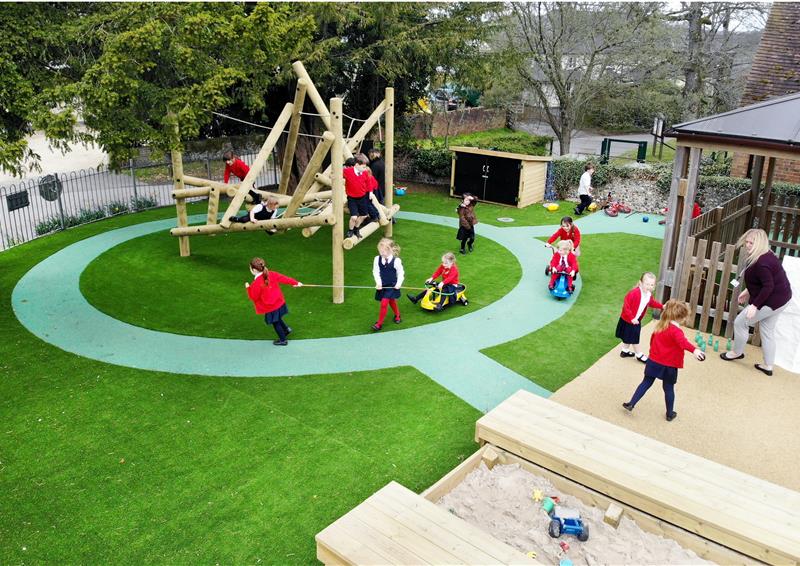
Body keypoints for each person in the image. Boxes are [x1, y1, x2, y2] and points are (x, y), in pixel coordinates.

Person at [720, 228, 792, 376]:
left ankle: (736, 352)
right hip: (782, 299)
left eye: (751, 242)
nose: (747, 245)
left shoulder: (762, 262)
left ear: (759, 243)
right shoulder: (766, 255)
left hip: (771, 300)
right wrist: (747, 292)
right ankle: (768, 365)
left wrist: (755, 305)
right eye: (746, 241)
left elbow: (768, 286)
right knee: (767, 330)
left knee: (740, 322)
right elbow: (764, 281)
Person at [622, 299, 705, 422]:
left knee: (646, 382)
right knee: (668, 388)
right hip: (669, 366)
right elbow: (683, 343)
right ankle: (670, 413)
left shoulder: (660, 326)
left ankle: (631, 403)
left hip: (654, 361)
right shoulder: (676, 331)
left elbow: (652, 341)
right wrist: (695, 350)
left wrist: (653, 355)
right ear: (680, 318)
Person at [245, 257, 302, 346]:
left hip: (270, 307)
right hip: (279, 303)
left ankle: (283, 340)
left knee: (275, 323)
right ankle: (286, 329)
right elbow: (284, 278)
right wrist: (295, 282)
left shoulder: (256, 283)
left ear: (254, 270)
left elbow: (253, 297)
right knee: (278, 318)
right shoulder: (271, 274)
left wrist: (248, 288)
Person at [616, 272, 663, 363]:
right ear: (641, 283)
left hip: (635, 320)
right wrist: (632, 318)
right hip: (630, 320)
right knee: (634, 338)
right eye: (647, 284)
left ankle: (625, 351)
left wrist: (662, 306)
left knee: (629, 336)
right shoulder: (635, 293)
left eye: (651, 285)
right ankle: (639, 355)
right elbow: (626, 306)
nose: (649, 286)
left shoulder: (648, 294)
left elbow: (651, 303)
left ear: (654, 286)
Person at [372, 238, 404, 331]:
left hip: (392, 286)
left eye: (384, 251)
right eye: (380, 251)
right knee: (391, 300)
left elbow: (401, 273)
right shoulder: (377, 259)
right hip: (382, 286)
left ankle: (379, 324)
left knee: (384, 303)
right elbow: (375, 272)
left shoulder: (396, 261)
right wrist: (378, 283)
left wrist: (398, 284)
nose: (382, 253)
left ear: (390, 250)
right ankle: (397, 315)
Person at [343, 153, 371, 239]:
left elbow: (368, 183)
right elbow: (335, 175)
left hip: (362, 197)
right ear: (357, 165)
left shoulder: (365, 173)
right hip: (352, 198)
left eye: (365, 166)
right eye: (363, 166)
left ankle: (356, 229)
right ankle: (350, 230)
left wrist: (370, 193)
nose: (365, 168)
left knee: (364, 215)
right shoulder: (347, 171)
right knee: (354, 217)